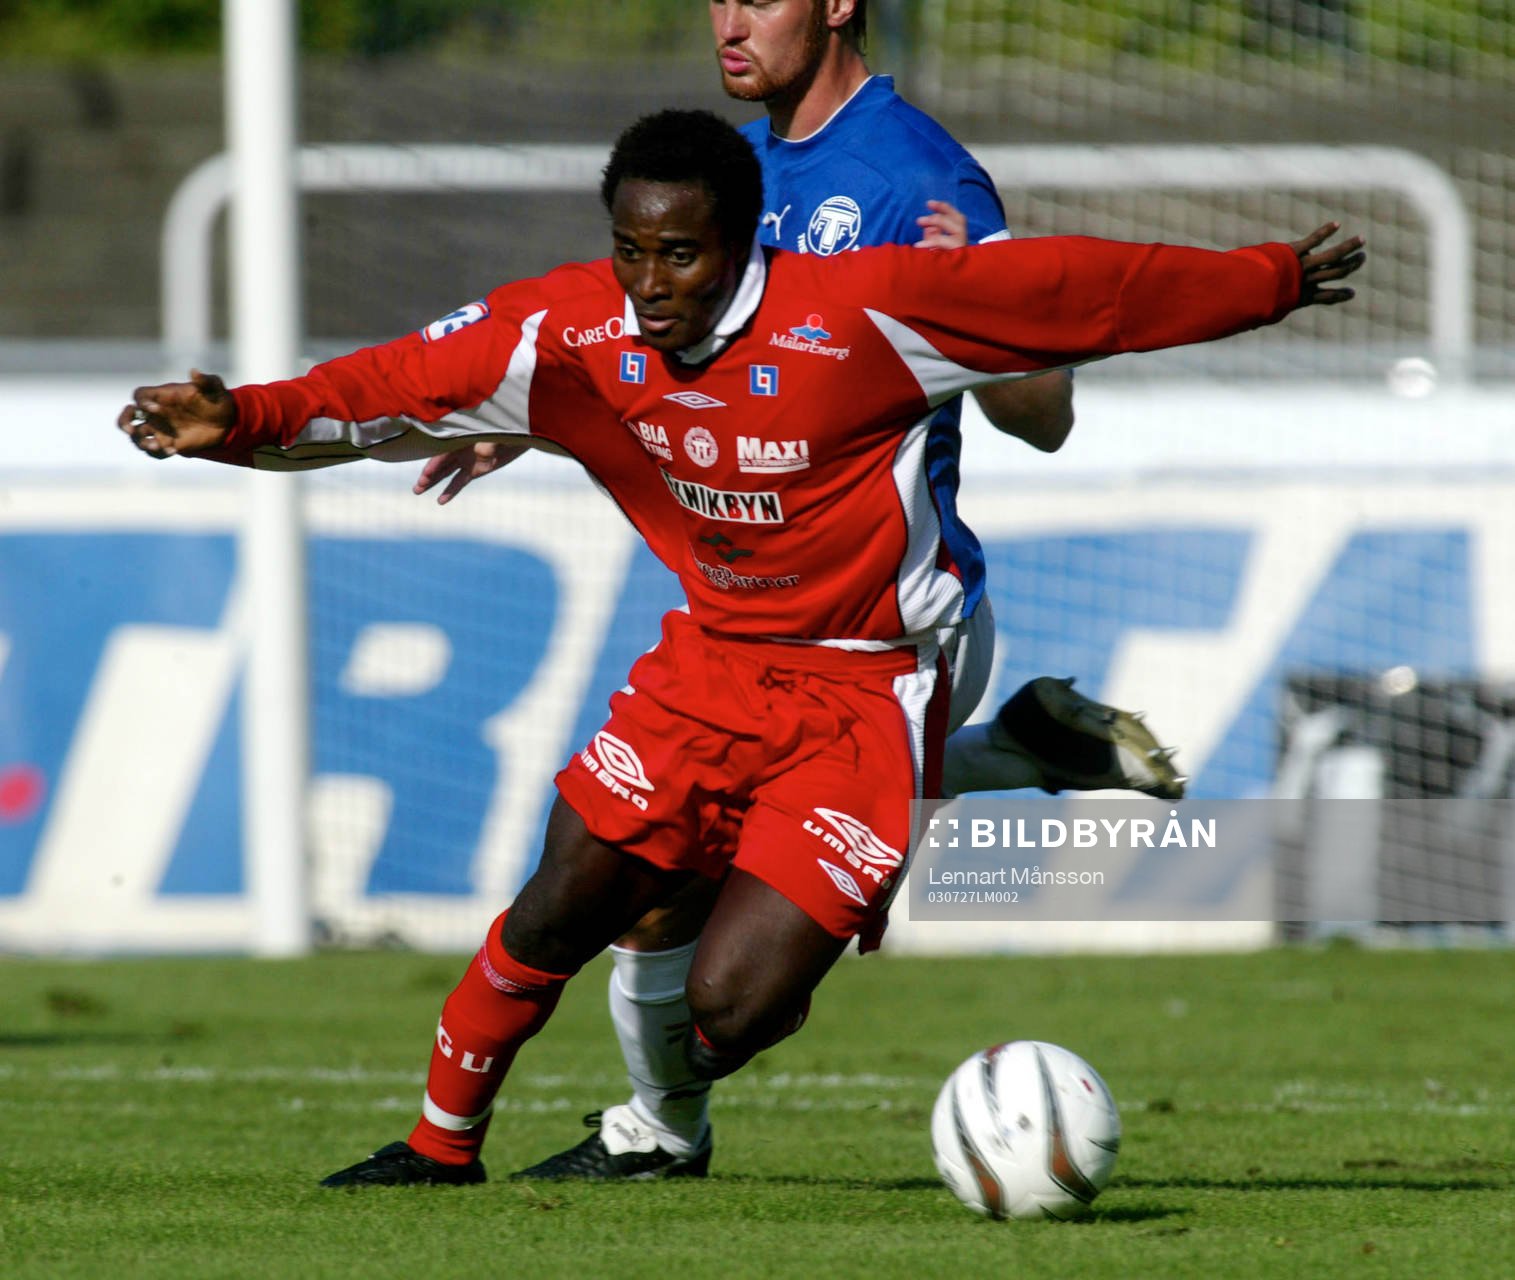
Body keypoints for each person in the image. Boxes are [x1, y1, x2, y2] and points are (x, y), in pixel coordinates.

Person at [119, 108, 1364, 1188]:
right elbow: (392, 386)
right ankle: (439, 1148)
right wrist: (242, 418)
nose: (651, 283)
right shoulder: (572, 328)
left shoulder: (863, 311)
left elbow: (1081, 292)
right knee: (560, 907)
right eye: (631, 251)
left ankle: (692, 1081)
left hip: (865, 683)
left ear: (744, 240)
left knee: (729, 1011)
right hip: (708, 668)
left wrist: (1263, 279)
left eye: (681, 254)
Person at [408, 0, 1186, 1182]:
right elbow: (658, 346)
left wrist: (982, 291)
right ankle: (664, 1132)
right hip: (752, 629)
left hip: (889, 630)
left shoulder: (918, 176)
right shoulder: (733, 167)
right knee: (648, 901)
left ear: (836, 4)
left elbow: (1044, 417)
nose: (728, 21)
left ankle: (665, 1122)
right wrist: (526, 415)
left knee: (726, 968)